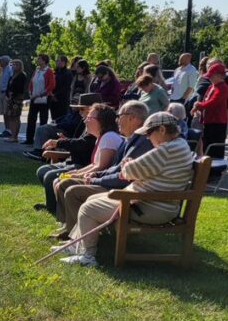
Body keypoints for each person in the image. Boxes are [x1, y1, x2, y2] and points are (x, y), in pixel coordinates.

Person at [61, 112, 195, 267]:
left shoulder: (166, 150)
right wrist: (131, 166)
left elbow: (129, 173)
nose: (147, 137)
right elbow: (141, 169)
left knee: (89, 207)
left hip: (151, 207)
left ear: (162, 130)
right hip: (156, 204)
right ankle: (75, 246)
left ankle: (88, 256)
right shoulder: (179, 145)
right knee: (92, 199)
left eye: (149, 133)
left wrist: (127, 164)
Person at [51, 101, 152, 238]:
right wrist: (96, 176)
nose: (117, 120)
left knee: (71, 189)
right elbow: (116, 168)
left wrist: (96, 180)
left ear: (132, 118)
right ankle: (71, 230)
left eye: (120, 115)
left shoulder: (142, 142)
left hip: (124, 192)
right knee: (65, 184)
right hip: (118, 186)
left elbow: (123, 177)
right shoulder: (132, 139)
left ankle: (77, 236)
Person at [36, 104, 120, 215]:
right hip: (92, 174)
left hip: (100, 180)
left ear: (102, 121)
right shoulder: (102, 137)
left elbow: (101, 167)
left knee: (58, 179)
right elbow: (95, 164)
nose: (85, 121)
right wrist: (75, 173)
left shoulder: (109, 137)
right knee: (57, 178)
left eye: (89, 118)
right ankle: (62, 216)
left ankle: (61, 215)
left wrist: (76, 174)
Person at [192, 61, 228, 159]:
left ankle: (215, 170)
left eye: (212, 76)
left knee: (215, 148)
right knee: (206, 145)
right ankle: (206, 168)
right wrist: (197, 106)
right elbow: (205, 100)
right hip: (208, 120)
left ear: (219, 75)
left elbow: (213, 102)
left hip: (217, 122)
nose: (210, 78)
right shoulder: (211, 86)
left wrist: (199, 105)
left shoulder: (223, 87)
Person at [24, 54, 55, 144]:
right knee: (31, 119)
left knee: (43, 120)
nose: (38, 60)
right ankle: (29, 139)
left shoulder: (49, 71)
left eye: (40, 59)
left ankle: (42, 140)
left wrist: (42, 94)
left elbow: (51, 85)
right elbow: (32, 82)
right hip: (34, 98)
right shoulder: (37, 70)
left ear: (44, 61)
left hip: (44, 99)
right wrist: (30, 93)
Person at [3, 59, 28, 142]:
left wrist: (12, 94)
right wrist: (7, 94)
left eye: (16, 64)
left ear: (20, 66)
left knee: (15, 117)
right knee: (10, 116)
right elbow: (8, 86)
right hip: (10, 99)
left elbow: (20, 88)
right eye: (13, 64)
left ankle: (15, 136)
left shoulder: (22, 75)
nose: (14, 66)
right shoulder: (12, 75)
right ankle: (12, 135)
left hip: (17, 99)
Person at [52, 55, 74, 123]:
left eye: (58, 60)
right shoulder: (54, 72)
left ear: (64, 62)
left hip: (62, 99)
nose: (57, 62)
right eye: (56, 61)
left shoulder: (68, 73)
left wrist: (56, 95)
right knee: (54, 118)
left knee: (62, 117)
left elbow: (66, 87)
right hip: (53, 99)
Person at [0, 55, 13, 137]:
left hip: (7, 93)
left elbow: (11, 81)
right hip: (2, 93)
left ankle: (10, 130)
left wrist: (9, 93)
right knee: (4, 112)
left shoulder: (10, 70)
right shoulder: (2, 70)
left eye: (1, 61)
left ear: (5, 62)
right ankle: (6, 129)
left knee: (8, 112)